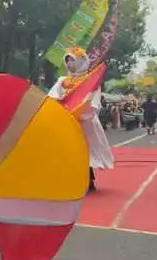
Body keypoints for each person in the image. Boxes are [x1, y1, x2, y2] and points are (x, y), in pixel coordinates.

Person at [48, 48, 114, 192]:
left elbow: (93, 102)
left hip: (85, 121)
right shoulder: (62, 81)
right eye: (67, 60)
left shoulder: (91, 81)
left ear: (81, 61)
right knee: (67, 149)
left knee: (85, 149)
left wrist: (82, 112)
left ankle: (88, 179)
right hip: (65, 120)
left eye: (72, 60)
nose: (69, 63)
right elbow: (52, 97)